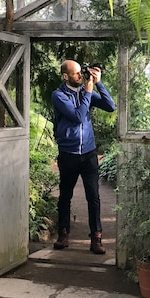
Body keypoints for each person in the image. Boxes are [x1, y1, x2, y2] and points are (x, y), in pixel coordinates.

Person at [51, 60, 116, 254]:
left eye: (82, 73)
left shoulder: (85, 92)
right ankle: (63, 233)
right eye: (77, 73)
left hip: (88, 154)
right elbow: (78, 116)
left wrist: (99, 84)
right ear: (66, 76)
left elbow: (110, 106)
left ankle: (96, 237)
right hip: (68, 154)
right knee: (65, 195)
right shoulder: (59, 95)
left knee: (93, 196)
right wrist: (88, 92)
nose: (81, 76)